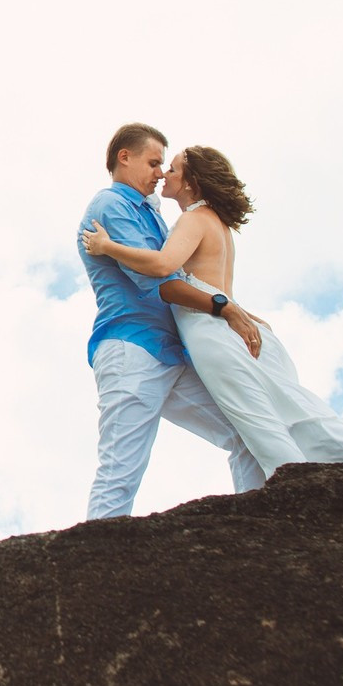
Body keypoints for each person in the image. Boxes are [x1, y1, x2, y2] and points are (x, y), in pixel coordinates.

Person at [83, 144, 343, 475]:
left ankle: (310, 484)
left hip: (212, 331)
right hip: (233, 326)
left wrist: (107, 246)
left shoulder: (193, 219)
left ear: (191, 183)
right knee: (300, 415)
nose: (165, 173)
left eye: (174, 169)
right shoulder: (216, 223)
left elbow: (163, 265)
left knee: (259, 421)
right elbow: (214, 288)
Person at [78, 123, 267, 520]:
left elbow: (180, 277)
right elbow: (161, 281)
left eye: (164, 164)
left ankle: (256, 533)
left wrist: (240, 312)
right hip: (131, 350)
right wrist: (225, 307)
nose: (161, 172)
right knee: (120, 471)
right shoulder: (110, 206)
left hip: (172, 355)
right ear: (123, 158)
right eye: (153, 162)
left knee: (247, 433)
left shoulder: (153, 215)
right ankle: (96, 571)